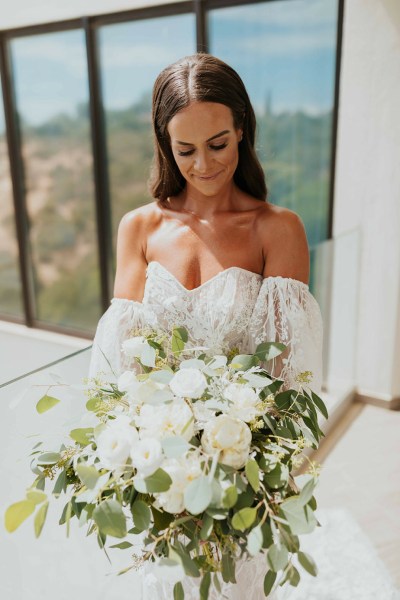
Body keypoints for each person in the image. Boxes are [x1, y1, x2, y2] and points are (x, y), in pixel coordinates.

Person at [88, 54, 398, 600]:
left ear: (242, 131)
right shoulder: (137, 227)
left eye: (218, 144)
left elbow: (289, 376)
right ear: (165, 145)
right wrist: (138, 461)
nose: (204, 165)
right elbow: (121, 368)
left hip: (244, 473)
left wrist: (263, 476)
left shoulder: (276, 229)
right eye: (185, 150)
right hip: (160, 476)